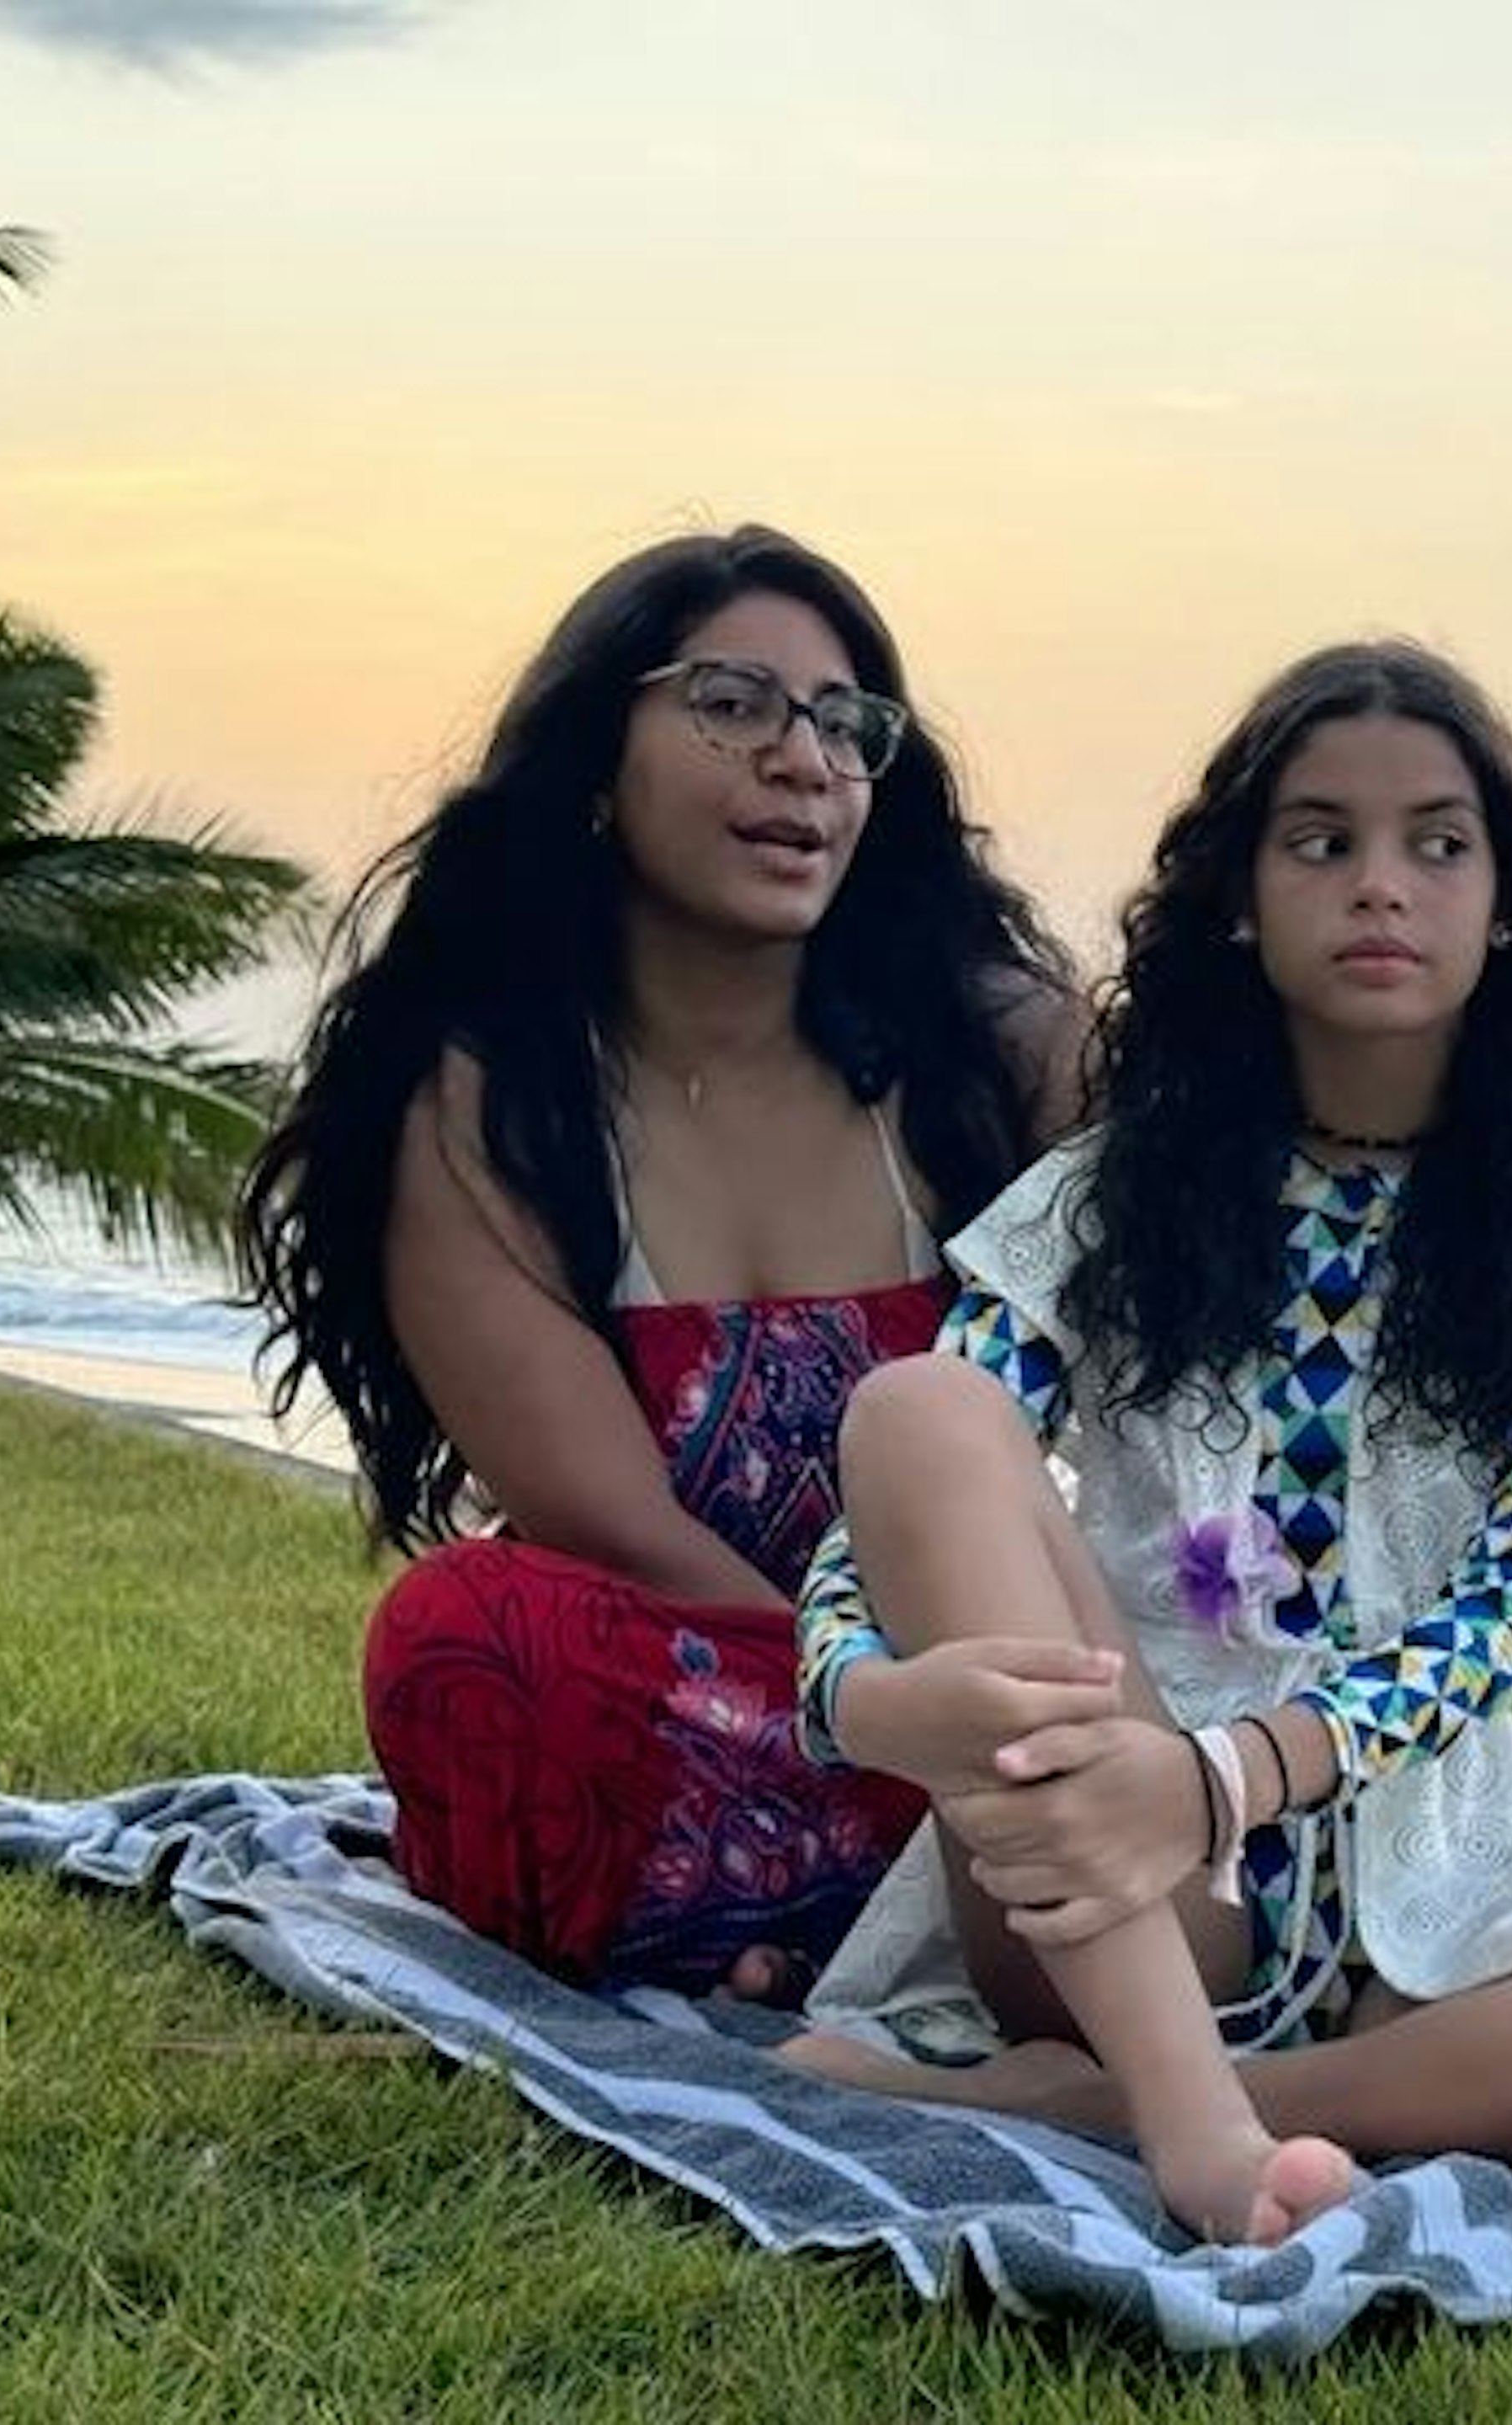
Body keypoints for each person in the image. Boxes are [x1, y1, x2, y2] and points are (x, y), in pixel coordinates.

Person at [786, 638, 1512, 2246]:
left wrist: (1226, 1783)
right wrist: (873, 1701)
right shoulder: (1101, 1206)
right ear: (1240, 894)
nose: (1383, 886)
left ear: (1508, 905)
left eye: (1439, 843)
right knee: (915, 1405)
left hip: (1467, 1892)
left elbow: (1510, 1615)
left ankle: (1103, 2115)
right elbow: (880, 1508)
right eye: (1323, 841)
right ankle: (1194, 2125)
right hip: (1122, 1886)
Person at [237, 525, 1083, 1998]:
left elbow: (1253, 1252)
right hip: (734, 1691)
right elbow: (621, 1535)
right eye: (734, 703)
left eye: (845, 725)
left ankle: (884, 1912)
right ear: (596, 759)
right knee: (469, 1638)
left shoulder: (983, 1058)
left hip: (1016, 1678)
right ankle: (935, 1909)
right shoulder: (488, 1112)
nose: (804, 761)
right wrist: (884, 1714)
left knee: (1117, 1694)